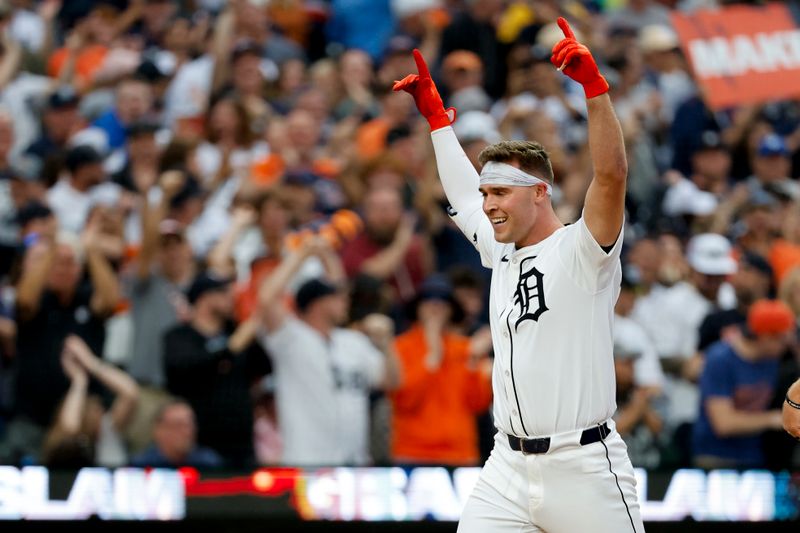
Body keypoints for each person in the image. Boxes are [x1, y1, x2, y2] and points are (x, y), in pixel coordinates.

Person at [393, 18, 644, 532]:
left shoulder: (582, 250)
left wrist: (594, 91)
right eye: (486, 194)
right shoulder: (500, 249)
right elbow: (461, 195)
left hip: (584, 466)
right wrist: (439, 121)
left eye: (500, 193)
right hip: (506, 466)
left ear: (539, 192)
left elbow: (613, 174)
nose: (486, 205)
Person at [257, 236, 400, 466]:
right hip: (306, 463)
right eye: (337, 297)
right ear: (317, 303)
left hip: (354, 466)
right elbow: (266, 297)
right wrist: (301, 254)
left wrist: (387, 344)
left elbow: (390, 381)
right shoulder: (291, 339)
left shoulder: (353, 342)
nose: (345, 302)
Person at [163, 272, 270, 467]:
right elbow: (184, 371)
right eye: (221, 292)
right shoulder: (179, 337)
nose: (229, 296)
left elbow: (265, 366)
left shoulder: (235, 331)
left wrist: (250, 335)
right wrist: (230, 349)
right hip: (200, 448)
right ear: (203, 298)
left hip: (242, 445)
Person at [391, 275, 492, 466]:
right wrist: (432, 357)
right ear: (417, 307)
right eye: (428, 300)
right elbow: (404, 400)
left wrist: (473, 362)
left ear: (451, 309)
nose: (435, 307)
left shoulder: (465, 348)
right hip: (412, 453)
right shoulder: (400, 347)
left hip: (460, 454)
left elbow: (478, 404)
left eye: (443, 302)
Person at [692, 300, 794, 468]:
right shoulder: (720, 359)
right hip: (715, 457)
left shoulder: (772, 359)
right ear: (765, 337)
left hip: (754, 455)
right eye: (782, 339)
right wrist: (773, 419)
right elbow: (724, 424)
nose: (787, 345)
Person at [41, 335, 139, 468]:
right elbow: (69, 429)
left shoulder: (108, 429)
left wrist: (91, 363)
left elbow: (130, 393)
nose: (101, 412)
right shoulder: (66, 443)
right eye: (95, 410)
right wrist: (79, 381)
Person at [130, 399, 223, 469]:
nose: (187, 432)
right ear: (159, 431)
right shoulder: (141, 466)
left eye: (189, 425)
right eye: (179, 425)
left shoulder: (208, 462)